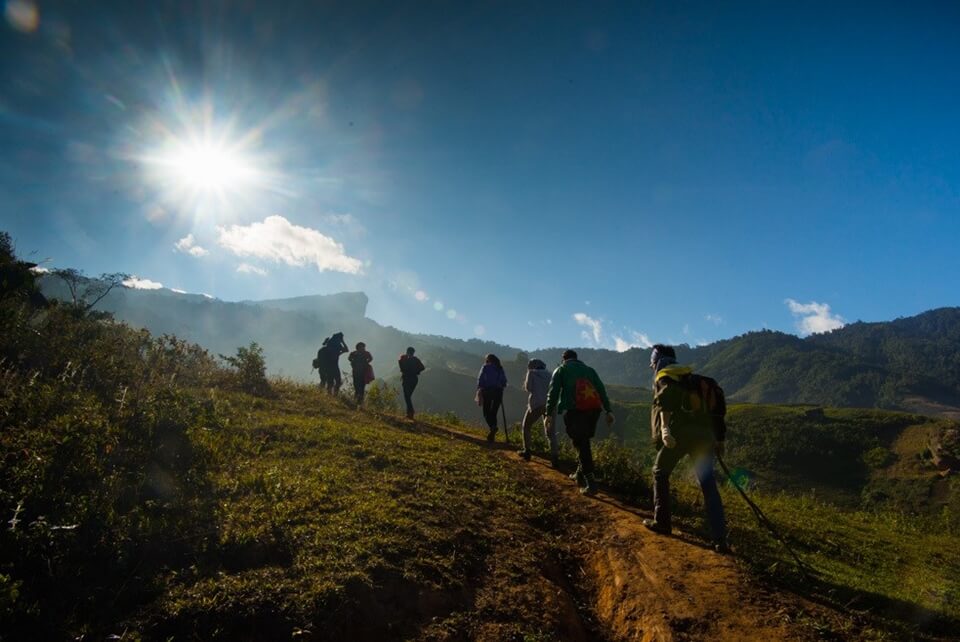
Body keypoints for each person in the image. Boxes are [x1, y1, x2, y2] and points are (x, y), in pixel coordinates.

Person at [643, 344, 729, 552]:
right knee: (708, 486)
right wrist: (719, 440)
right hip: (705, 437)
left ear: (656, 361)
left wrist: (664, 429)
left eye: (652, 363)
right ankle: (721, 540)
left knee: (660, 472)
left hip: (680, 435)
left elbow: (665, 401)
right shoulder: (694, 379)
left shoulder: (666, 375)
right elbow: (717, 411)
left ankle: (662, 522)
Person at [545, 350, 614, 495]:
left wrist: (548, 413)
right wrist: (608, 410)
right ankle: (579, 474)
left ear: (564, 359)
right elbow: (601, 390)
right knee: (583, 442)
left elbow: (553, 392)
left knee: (581, 444)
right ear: (576, 359)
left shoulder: (561, 370)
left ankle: (591, 483)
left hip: (575, 411)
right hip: (594, 411)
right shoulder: (589, 370)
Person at [519, 359, 555, 464]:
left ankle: (527, 451)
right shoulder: (550, 374)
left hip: (536, 404)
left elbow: (528, 388)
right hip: (550, 405)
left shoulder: (531, 373)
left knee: (526, 426)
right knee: (550, 432)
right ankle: (555, 458)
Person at [477, 354, 508, 442]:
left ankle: (493, 427)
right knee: (493, 413)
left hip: (488, 392)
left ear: (488, 360)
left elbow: (480, 379)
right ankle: (492, 434)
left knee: (486, 412)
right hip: (498, 393)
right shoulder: (500, 368)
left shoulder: (485, 367)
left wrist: (480, 389)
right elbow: (504, 382)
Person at [398, 346, 425, 420]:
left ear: (407, 352)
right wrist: (416, 371)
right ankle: (409, 414)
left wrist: (405, 370)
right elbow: (422, 367)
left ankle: (410, 412)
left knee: (407, 396)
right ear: (413, 353)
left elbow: (401, 366)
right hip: (414, 379)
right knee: (408, 396)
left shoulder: (404, 358)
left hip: (407, 379)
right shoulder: (416, 359)